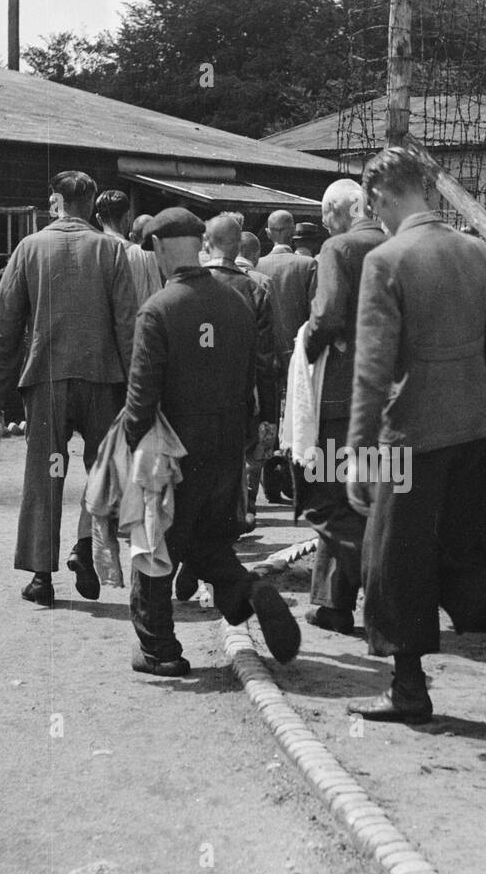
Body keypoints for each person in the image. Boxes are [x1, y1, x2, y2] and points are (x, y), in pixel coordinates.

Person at [345, 147, 486, 722]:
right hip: (478, 428)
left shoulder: (386, 260)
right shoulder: (477, 251)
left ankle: (409, 690)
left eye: (373, 205)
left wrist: (359, 452)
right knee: (466, 551)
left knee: (392, 560)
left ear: (380, 196)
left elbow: (372, 368)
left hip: (410, 433)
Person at [123, 207, 300, 675]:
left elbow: (141, 401)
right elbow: (253, 379)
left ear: (159, 248)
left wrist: (127, 448)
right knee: (209, 546)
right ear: (199, 244)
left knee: (155, 546)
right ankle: (250, 591)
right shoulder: (237, 304)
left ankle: (160, 649)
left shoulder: (157, 310)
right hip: (225, 453)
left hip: (174, 454)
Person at [0, 170, 137, 606]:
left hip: (47, 381)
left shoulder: (29, 248)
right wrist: (136, 389)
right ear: (90, 204)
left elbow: (2, 327)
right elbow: (128, 325)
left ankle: (40, 576)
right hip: (103, 380)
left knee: (46, 474)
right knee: (102, 470)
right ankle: (85, 547)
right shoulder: (110, 250)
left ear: (55, 202)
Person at [298, 178, 386, 634]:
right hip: (389, 397)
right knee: (371, 500)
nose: (325, 225)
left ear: (342, 210)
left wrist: (306, 345)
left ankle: (388, 593)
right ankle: (332, 602)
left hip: (340, 396)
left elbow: (327, 313)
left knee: (329, 504)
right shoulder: (397, 245)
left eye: (326, 215)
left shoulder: (338, 249)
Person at [202, 213, 280, 532]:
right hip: (239, 398)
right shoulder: (254, 290)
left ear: (207, 244)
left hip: (191, 398)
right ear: (238, 248)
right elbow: (265, 360)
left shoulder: (182, 284)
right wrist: (270, 415)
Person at [258, 209, 317, 374]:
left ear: (268, 233)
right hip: (299, 352)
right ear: (292, 231)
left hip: (266, 354)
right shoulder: (309, 265)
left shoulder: (256, 266)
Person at [97, 190, 164, 308]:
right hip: (136, 324)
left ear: (98, 219)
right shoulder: (145, 254)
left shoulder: (89, 252)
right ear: (127, 217)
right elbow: (157, 298)